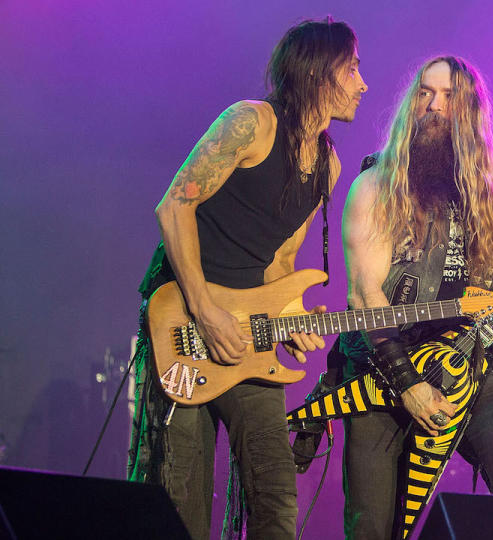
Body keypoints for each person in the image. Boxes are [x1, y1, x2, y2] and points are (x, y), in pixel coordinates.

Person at [127, 19, 367, 539]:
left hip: (246, 335)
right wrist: (205, 310)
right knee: (179, 498)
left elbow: (281, 263)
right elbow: (175, 207)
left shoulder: (328, 166)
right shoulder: (250, 123)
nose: (362, 83)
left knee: (275, 493)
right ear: (319, 73)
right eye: (351, 68)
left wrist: (292, 318)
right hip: (185, 321)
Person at [333, 55, 493, 540]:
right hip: (383, 367)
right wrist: (408, 384)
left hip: (469, 361)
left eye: (449, 96)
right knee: (374, 526)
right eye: (425, 94)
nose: (434, 106)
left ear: (471, 110)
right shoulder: (375, 185)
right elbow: (365, 296)